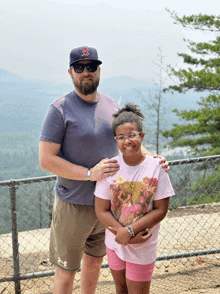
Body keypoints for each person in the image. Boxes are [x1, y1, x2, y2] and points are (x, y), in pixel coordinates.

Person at [39, 46, 169, 294]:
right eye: (79, 67)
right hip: (73, 204)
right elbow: (46, 160)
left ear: (99, 70)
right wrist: (89, 174)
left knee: (94, 265)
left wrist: (154, 158)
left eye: (91, 66)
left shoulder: (111, 106)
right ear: (70, 72)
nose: (86, 72)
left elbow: (125, 142)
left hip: (110, 207)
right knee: (66, 273)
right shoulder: (59, 109)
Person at [95, 103, 175, 294]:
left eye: (132, 135)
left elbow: (161, 209)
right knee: (121, 289)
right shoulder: (110, 168)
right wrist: (123, 234)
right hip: (115, 242)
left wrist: (130, 231)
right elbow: (101, 209)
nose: (127, 141)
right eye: (121, 137)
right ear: (116, 140)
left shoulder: (156, 167)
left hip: (143, 244)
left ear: (142, 136)